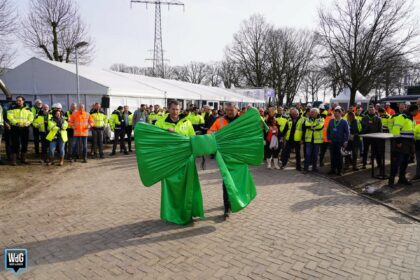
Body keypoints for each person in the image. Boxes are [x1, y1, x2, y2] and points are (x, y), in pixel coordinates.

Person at [208, 102, 240, 219]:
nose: (229, 112)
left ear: (237, 109)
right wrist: (217, 135)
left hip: (238, 156)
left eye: (232, 110)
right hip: (224, 156)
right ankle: (227, 208)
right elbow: (210, 132)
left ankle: (236, 199)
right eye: (227, 110)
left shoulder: (242, 120)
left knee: (237, 180)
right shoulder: (219, 121)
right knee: (226, 181)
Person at [389, 104, 417, 187]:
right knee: (397, 163)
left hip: (408, 144)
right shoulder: (402, 117)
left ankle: (402, 179)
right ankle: (391, 181)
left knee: (405, 163)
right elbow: (395, 129)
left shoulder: (411, 118)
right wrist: (398, 142)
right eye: (416, 111)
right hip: (401, 143)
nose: (417, 112)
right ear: (413, 110)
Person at [7, 96, 34, 165]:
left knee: (25, 143)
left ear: (23, 101)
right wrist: (16, 122)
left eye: (20, 100)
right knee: (15, 144)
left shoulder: (28, 109)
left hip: (25, 128)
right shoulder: (12, 108)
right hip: (15, 128)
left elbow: (31, 117)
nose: (18, 102)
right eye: (17, 100)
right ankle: (14, 160)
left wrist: (27, 123)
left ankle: (23, 159)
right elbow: (9, 116)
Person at [326, 106, 349, 176]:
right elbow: (328, 131)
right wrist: (329, 138)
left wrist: (345, 141)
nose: (336, 114)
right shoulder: (331, 121)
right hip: (332, 142)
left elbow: (347, 132)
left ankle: (339, 170)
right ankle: (333, 169)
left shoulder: (344, 122)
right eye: (335, 113)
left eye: (337, 113)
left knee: (339, 157)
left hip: (340, 142)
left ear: (340, 113)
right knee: (332, 156)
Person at [361, 105, 382, 169]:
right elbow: (363, 127)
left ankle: (379, 164)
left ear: (375, 110)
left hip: (375, 138)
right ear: (368, 111)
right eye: (370, 110)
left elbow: (380, 128)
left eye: (372, 110)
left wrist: (379, 137)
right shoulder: (364, 118)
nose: (371, 111)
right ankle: (364, 164)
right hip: (366, 137)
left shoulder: (378, 118)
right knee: (365, 151)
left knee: (377, 151)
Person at [303, 108, 324, 173]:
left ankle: (314, 169)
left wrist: (311, 127)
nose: (311, 113)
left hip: (317, 141)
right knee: (308, 154)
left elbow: (320, 126)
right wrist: (315, 127)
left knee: (315, 155)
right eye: (311, 112)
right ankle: (305, 169)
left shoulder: (321, 119)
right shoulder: (307, 118)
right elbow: (306, 125)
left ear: (317, 113)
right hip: (309, 140)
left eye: (313, 112)